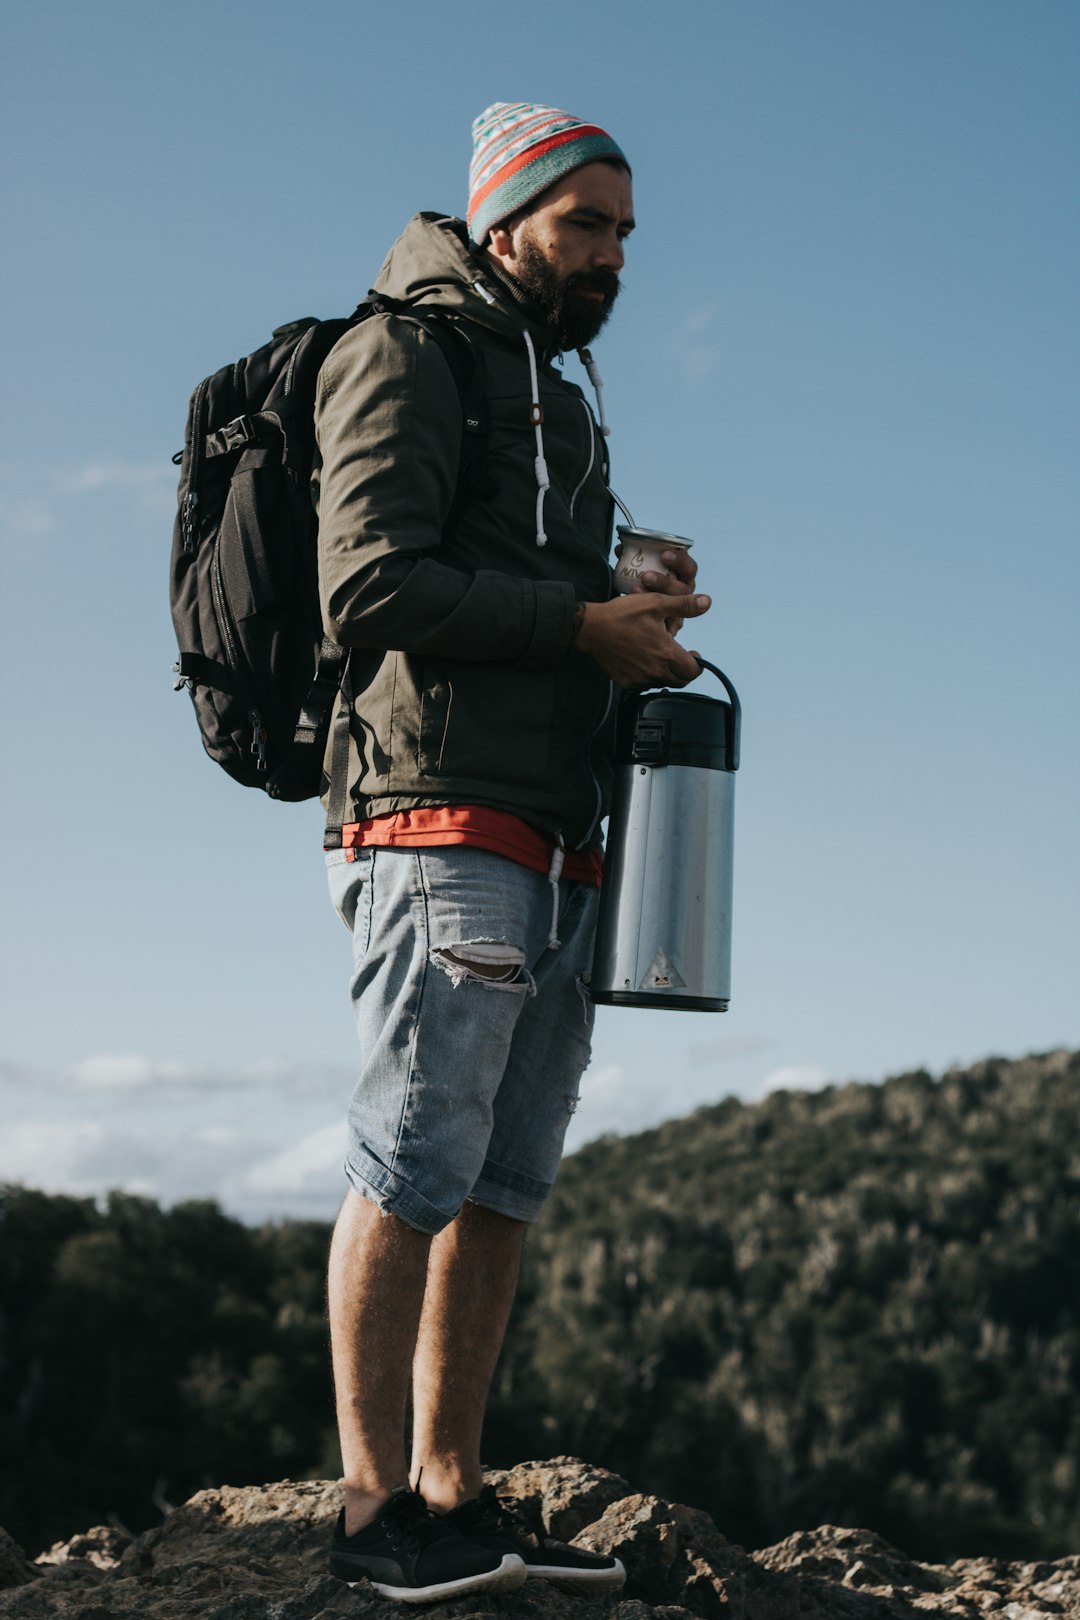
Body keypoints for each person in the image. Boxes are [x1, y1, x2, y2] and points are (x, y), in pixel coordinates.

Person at [315, 101, 711, 1604]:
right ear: (505, 222)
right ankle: (367, 1521)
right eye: (584, 225)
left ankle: (453, 1495)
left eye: (624, 233)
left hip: (559, 823)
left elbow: (515, 575)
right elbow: (367, 583)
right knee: (417, 1156)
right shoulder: (405, 354)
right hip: (434, 810)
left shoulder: (559, 388)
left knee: (507, 1179)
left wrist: (626, 588)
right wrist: (573, 623)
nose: (612, 257)